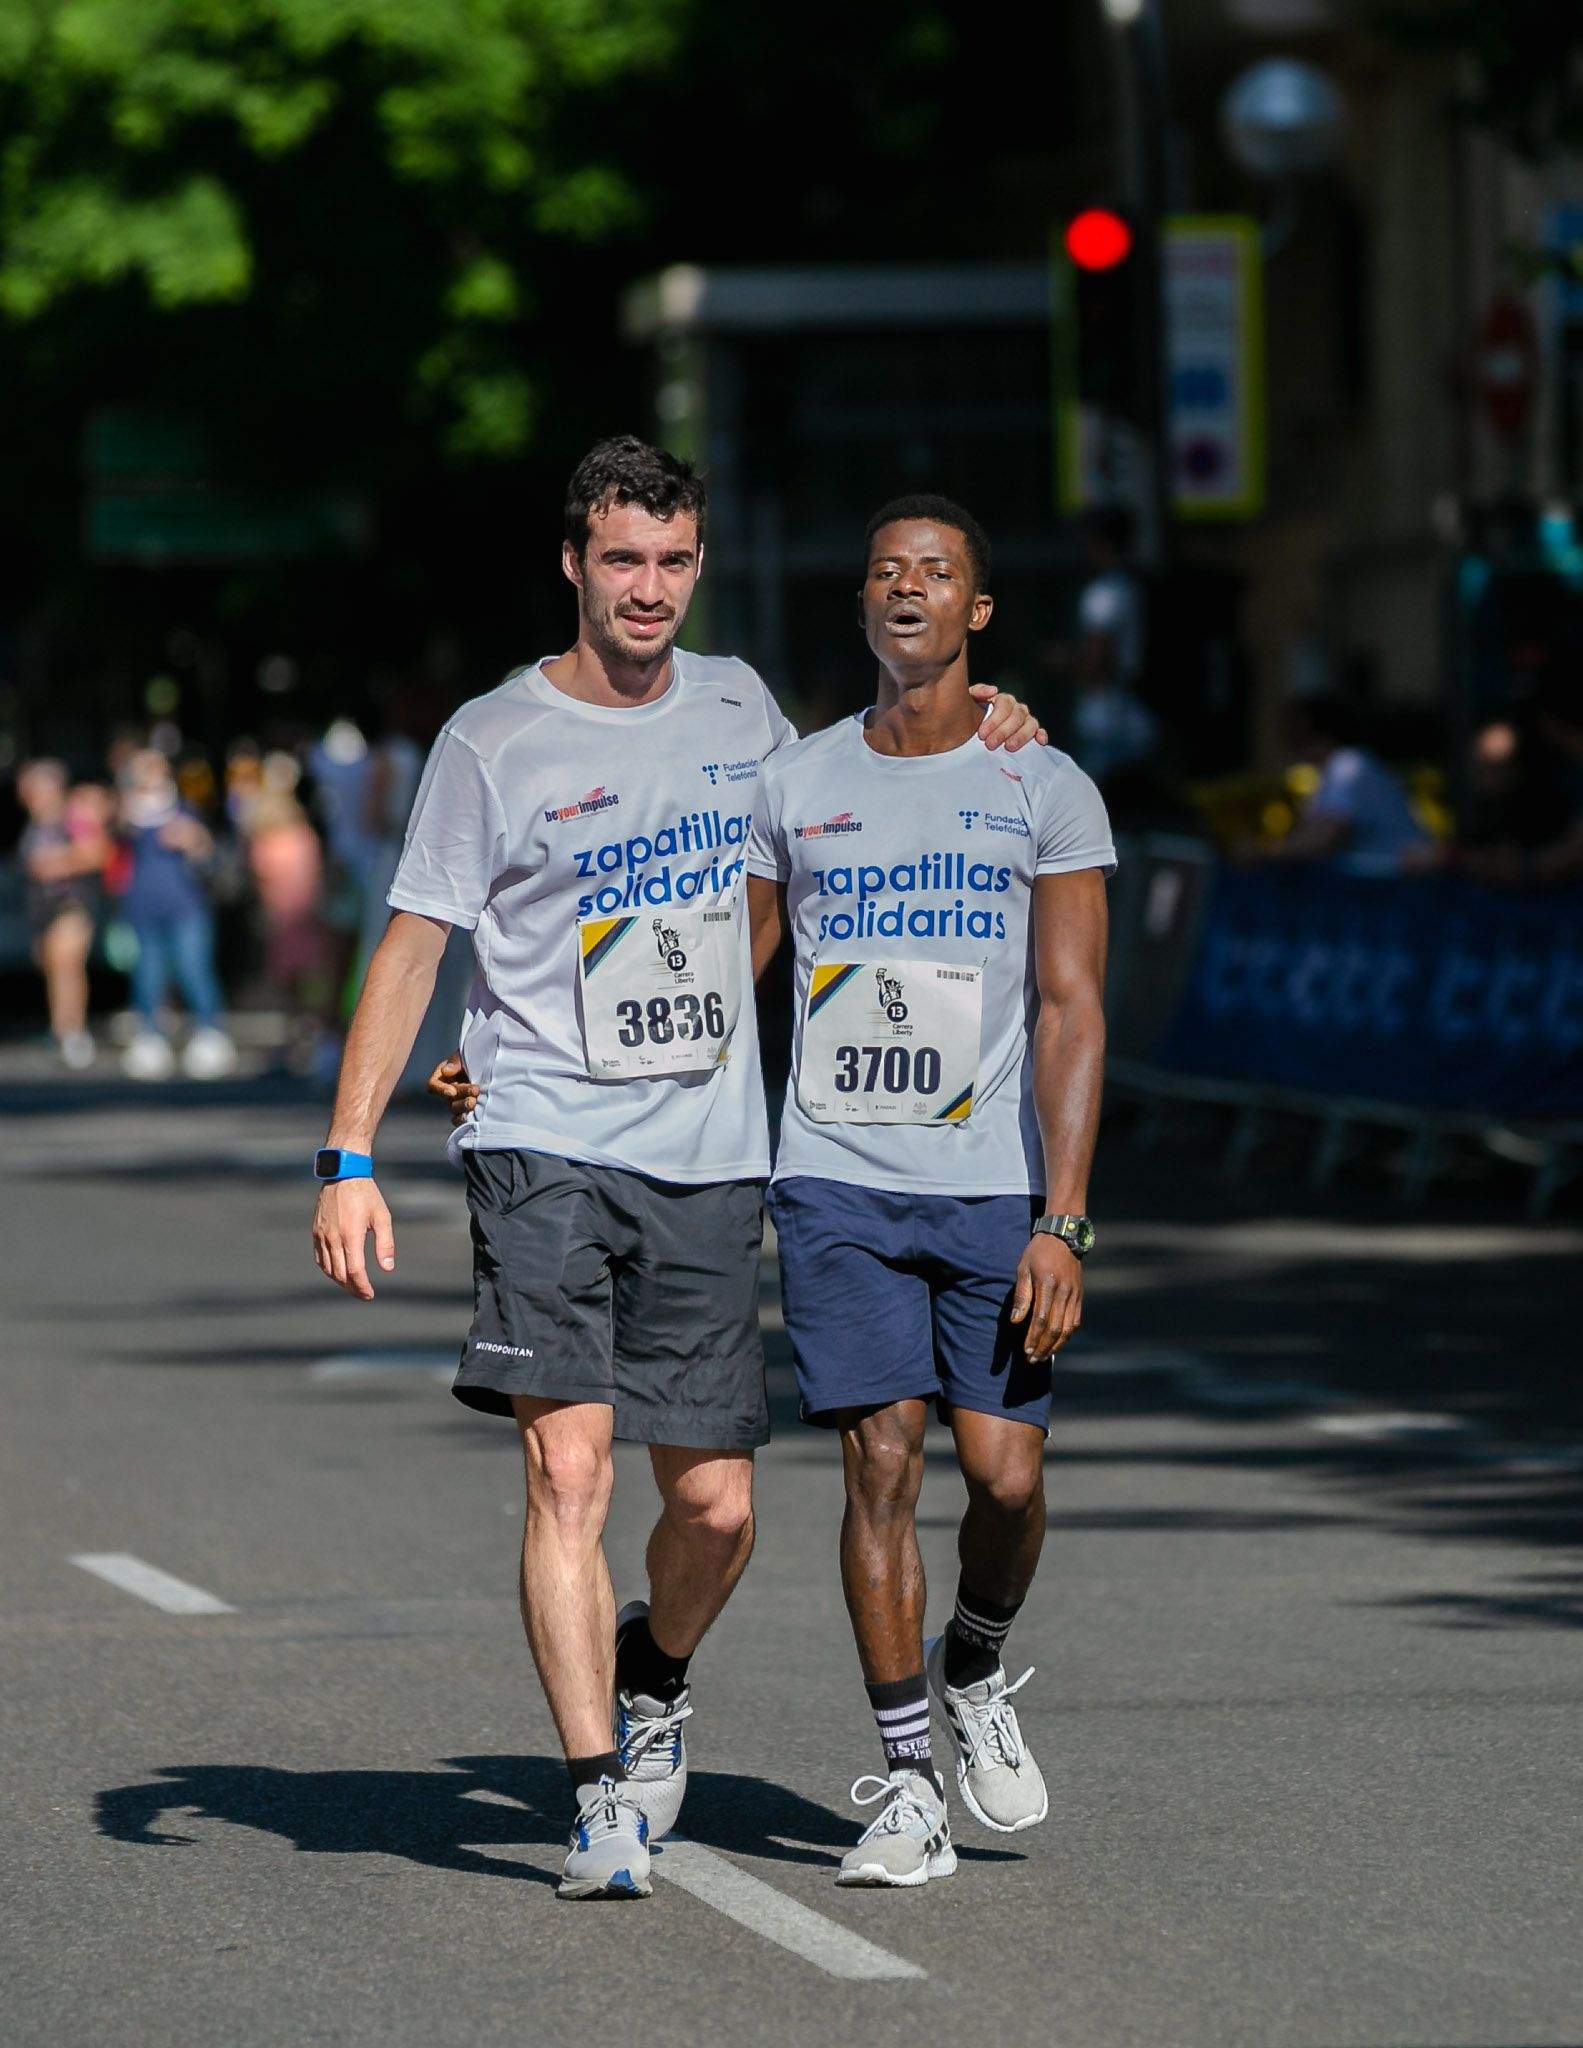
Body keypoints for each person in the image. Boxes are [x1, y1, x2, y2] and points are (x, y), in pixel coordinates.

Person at [310, 436, 1043, 1901]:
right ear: (571, 565)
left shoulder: (737, 704)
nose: (646, 588)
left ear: (693, 566)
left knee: (715, 1510)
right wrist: (349, 1149)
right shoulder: (490, 740)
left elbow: (837, 819)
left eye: (670, 561)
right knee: (565, 1464)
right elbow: (413, 945)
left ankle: (654, 1670)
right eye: (620, 560)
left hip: (709, 1153)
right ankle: (596, 1798)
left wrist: (984, 720)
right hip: (539, 1145)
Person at [740, 496, 1111, 1887]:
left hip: (989, 1189)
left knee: (1004, 1476)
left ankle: (973, 1668)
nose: (906, 588)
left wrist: (1060, 1222)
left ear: (976, 613)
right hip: (832, 1177)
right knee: (880, 1457)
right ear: (862, 608)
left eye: (935, 572)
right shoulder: (798, 781)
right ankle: (902, 1777)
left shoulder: (1042, 783)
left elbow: (1071, 1012)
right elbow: (727, 981)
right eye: (883, 570)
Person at [117, 747, 237, 1080]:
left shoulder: (185, 811)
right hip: (142, 909)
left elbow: (209, 859)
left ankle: (209, 1031)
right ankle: (150, 1035)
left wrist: (194, 841)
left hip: (187, 907)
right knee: (147, 974)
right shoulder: (127, 816)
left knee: (193, 969)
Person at [1239, 693, 1430, 875]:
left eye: (1294, 730)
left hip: (1397, 891)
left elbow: (1322, 839)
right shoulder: (1337, 770)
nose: (1286, 738)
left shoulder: (1348, 767)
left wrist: (1264, 853)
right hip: (1384, 891)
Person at [16, 760, 110, 1068]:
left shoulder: (72, 816)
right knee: (53, 967)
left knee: (67, 964)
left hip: (70, 904)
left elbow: (97, 851)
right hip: (41, 910)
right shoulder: (35, 825)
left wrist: (56, 864)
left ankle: (73, 1032)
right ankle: (60, 1029)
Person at [1065, 508, 1159, 788]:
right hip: (1138, 721)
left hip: (1107, 722)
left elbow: (1097, 660)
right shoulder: (1136, 586)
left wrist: (1068, 662)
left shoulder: (1104, 594)